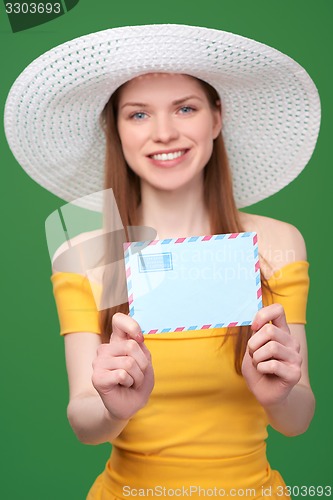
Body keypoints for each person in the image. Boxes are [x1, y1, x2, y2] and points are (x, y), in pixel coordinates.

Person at [4, 24, 320, 499]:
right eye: (138, 115)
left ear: (216, 118)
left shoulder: (277, 242)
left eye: (185, 108)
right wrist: (113, 407)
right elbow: (85, 423)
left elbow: (297, 418)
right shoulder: (86, 255)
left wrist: (279, 393)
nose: (164, 133)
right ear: (116, 128)